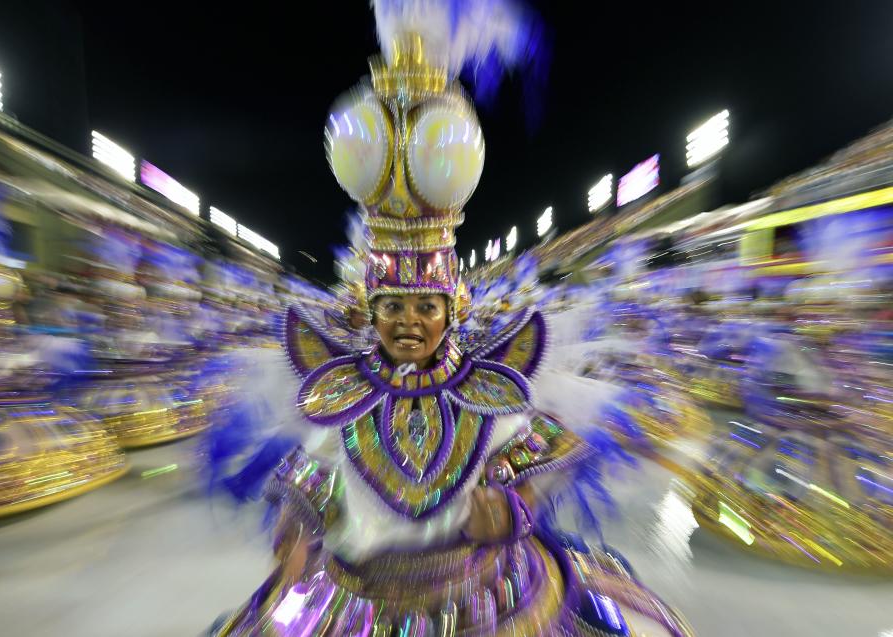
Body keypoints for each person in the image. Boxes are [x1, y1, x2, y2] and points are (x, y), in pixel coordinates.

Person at [205, 3, 694, 635]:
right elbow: (316, 478)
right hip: (357, 604)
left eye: (426, 306)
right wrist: (295, 530)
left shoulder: (489, 393)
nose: (410, 322)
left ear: (451, 309)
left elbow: (531, 472)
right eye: (394, 308)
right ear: (369, 312)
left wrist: (512, 513)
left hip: (481, 604)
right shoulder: (339, 392)